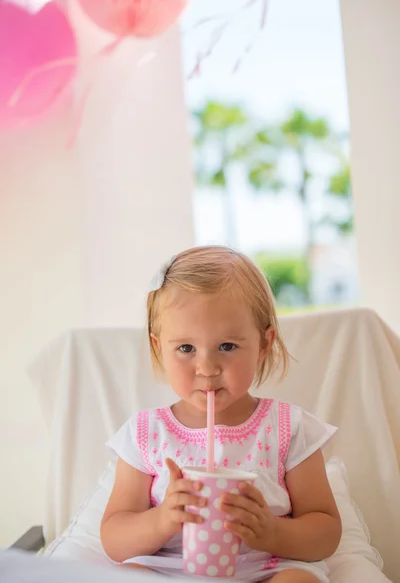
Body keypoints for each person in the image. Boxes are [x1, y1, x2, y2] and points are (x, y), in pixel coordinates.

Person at [101, 246, 341, 582]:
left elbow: (326, 531)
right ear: (159, 347)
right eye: (186, 348)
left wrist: (272, 532)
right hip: (170, 569)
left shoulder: (288, 427)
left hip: (265, 568)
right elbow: (114, 537)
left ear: (263, 344)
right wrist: (162, 520)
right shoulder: (146, 432)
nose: (207, 367)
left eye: (227, 346)